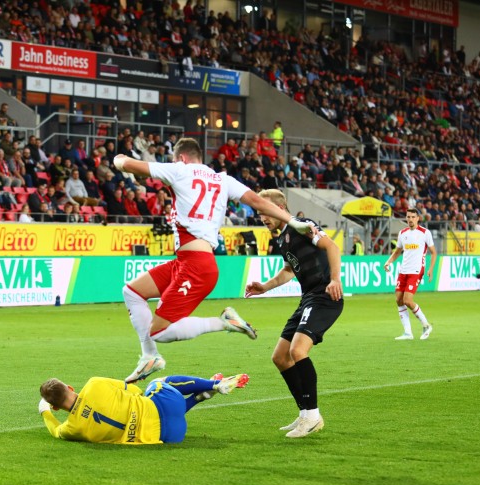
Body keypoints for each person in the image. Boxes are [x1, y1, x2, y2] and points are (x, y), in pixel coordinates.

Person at [113, 138, 313, 383]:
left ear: (182, 158)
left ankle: (223, 323)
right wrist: (293, 222)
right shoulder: (223, 179)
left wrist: (118, 160)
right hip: (187, 261)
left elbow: (127, 163)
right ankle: (149, 357)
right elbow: (259, 202)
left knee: (159, 332)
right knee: (132, 292)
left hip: (196, 266)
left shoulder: (179, 169)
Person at [244, 189, 343, 439]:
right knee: (280, 357)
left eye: (265, 212)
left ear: (280, 208)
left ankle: (313, 415)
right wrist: (264, 287)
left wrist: (335, 279)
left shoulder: (302, 225)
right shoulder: (282, 238)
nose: (262, 217)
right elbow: (289, 270)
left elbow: (331, 246)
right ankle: (304, 414)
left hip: (324, 296)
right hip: (308, 298)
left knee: (297, 351)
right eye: (259, 213)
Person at [38, 372, 249, 445]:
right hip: (168, 404)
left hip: (169, 436)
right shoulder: (94, 384)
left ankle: (199, 397)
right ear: (70, 387)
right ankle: (213, 385)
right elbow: (132, 388)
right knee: (157, 383)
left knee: (151, 417)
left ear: (56, 408)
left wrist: (44, 411)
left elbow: (56, 432)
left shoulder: (72, 429)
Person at [383, 208, 436, 340]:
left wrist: (431, 269)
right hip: (404, 270)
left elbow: (433, 252)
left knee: (407, 300)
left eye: (413, 217)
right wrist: (389, 262)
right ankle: (408, 333)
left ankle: (426, 325)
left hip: (416, 270)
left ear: (418, 218)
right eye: (408, 217)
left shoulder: (425, 233)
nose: (410, 219)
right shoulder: (402, 233)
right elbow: (397, 251)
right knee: (399, 300)